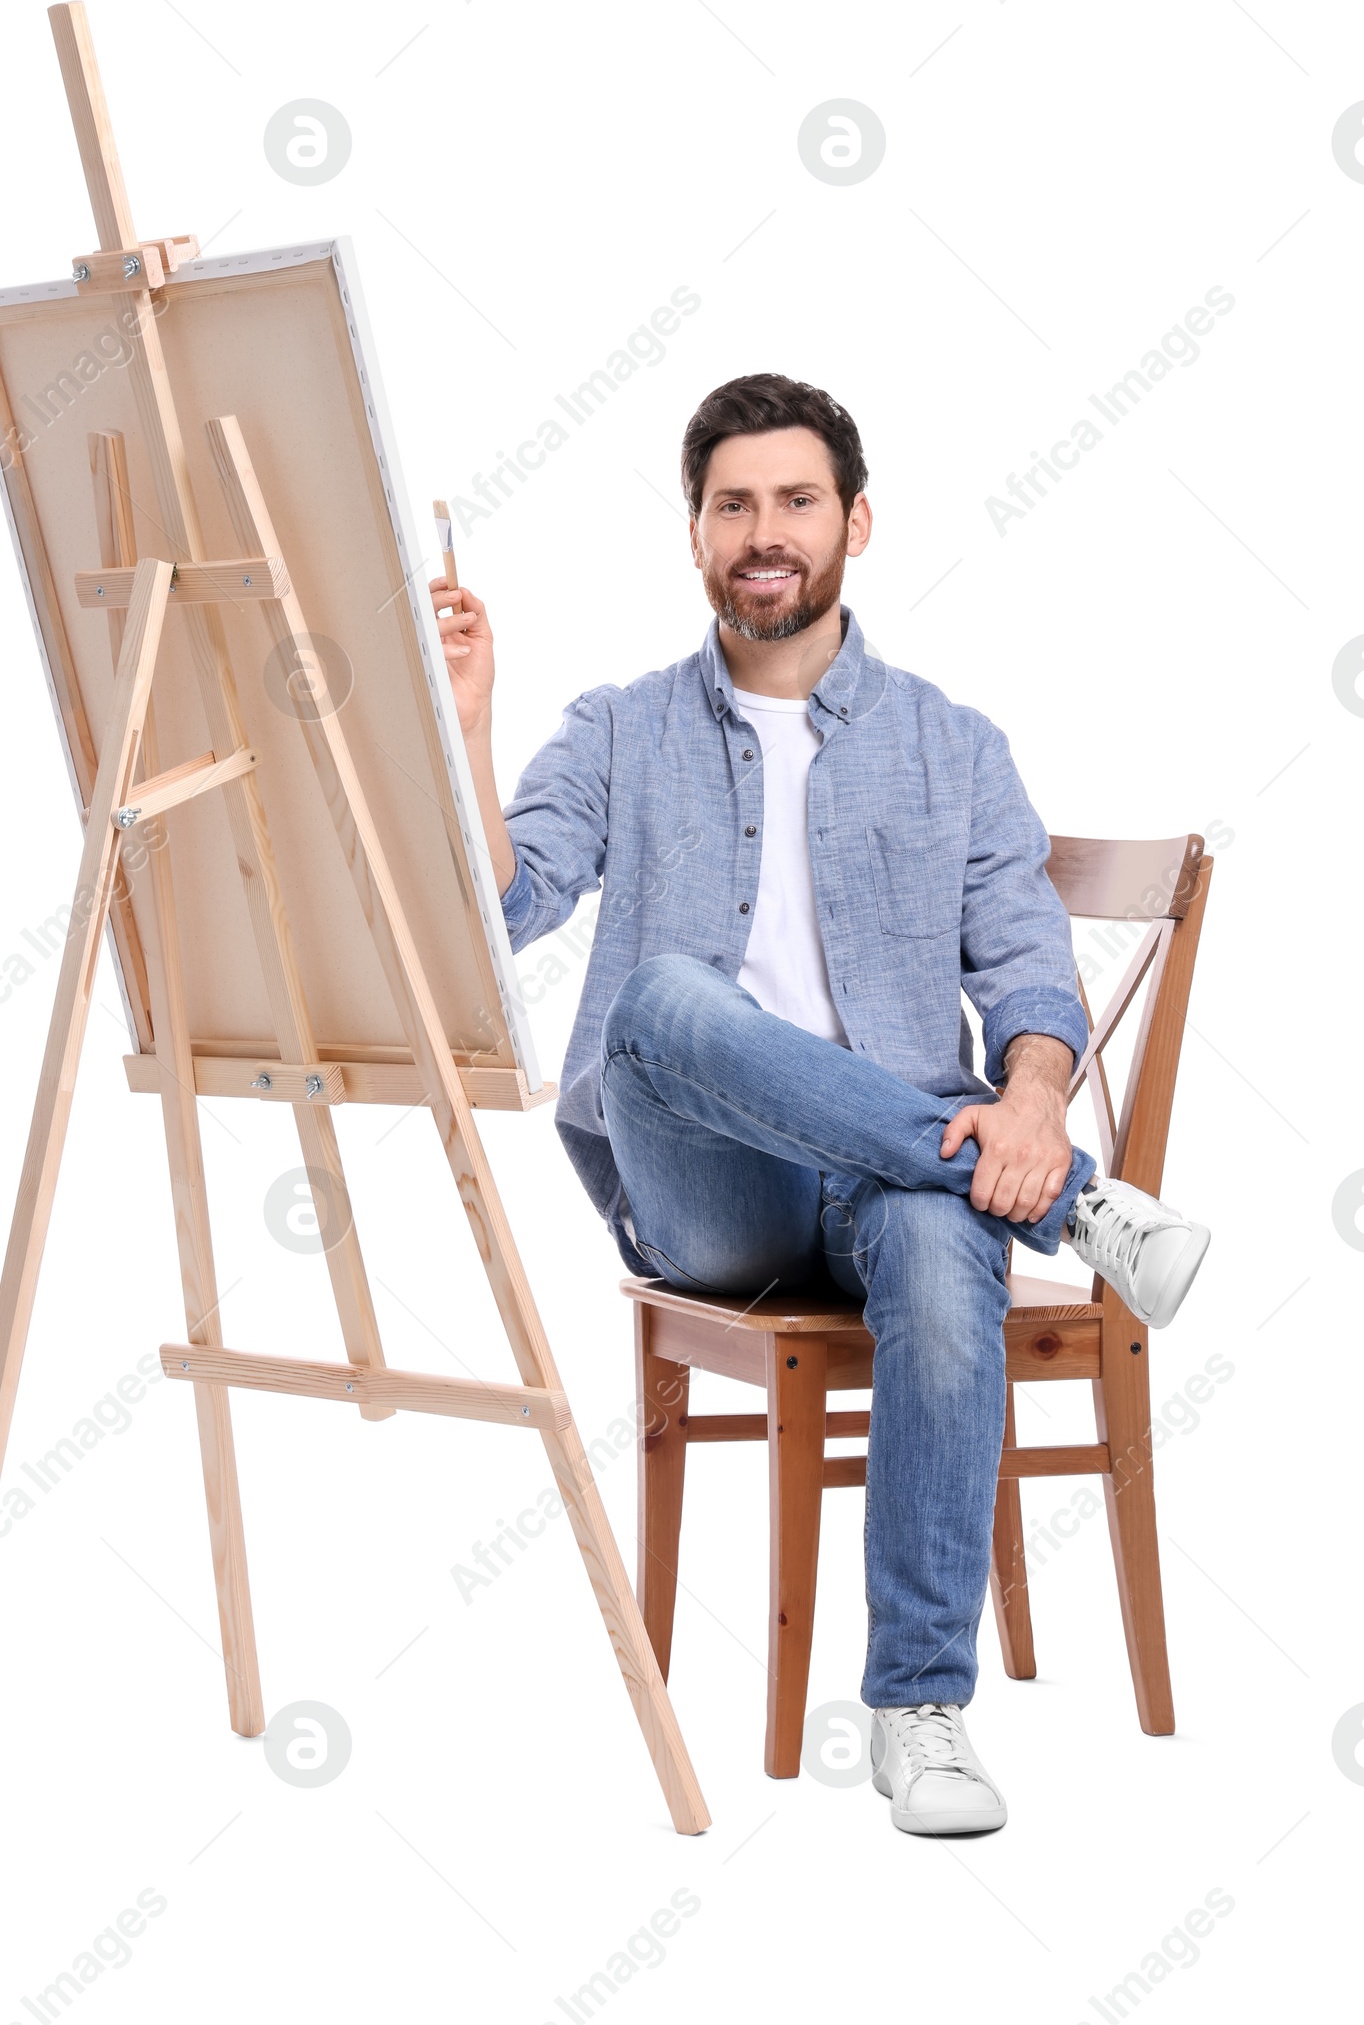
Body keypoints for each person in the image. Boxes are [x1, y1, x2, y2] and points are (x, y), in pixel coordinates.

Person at [430, 371, 1210, 1838]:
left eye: (796, 501)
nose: (764, 532)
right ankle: (1084, 1202)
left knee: (934, 1237)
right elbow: (500, 912)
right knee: (661, 999)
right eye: (734, 505)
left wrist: (1032, 1096)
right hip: (704, 1192)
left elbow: (1033, 977)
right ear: (696, 535)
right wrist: (468, 723)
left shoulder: (951, 743)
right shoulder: (616, 728)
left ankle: (920, 1708)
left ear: (856, 521)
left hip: (906, 1193)